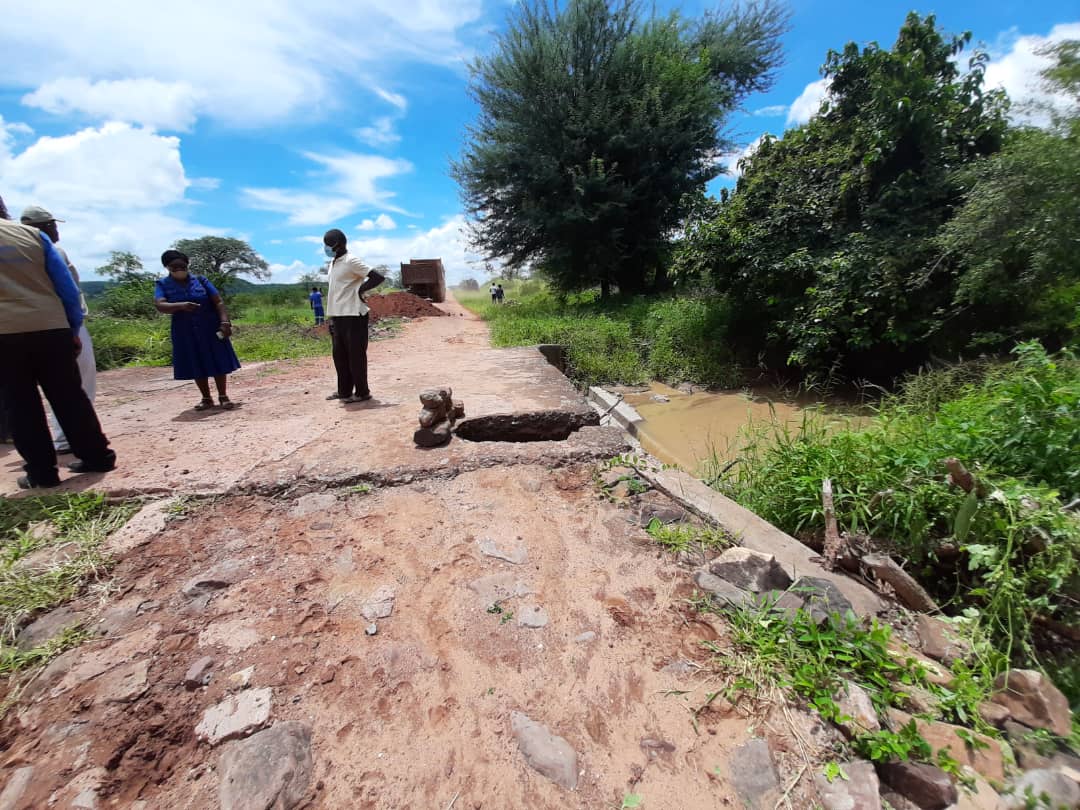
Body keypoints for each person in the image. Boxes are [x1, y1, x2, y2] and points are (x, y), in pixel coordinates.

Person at [0, 216, 116, 488]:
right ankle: (98, 457)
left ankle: (42, 473)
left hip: (4, 334)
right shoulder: (31, 235)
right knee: (70, 395)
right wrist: (73, 328)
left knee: (20, 403)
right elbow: (67, 287)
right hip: (51, 327)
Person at [20, 206, 95, 454]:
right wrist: (74, 328)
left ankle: (51, 447)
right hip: (59, 325)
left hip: (15, 329)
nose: (55, 229)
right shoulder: (52, 250)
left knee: (23, 393)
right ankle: (74, 441)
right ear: (39, 227)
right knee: (75, 384)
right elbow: (69, 291)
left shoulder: (14, 250)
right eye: (51, 225)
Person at [154, 250, 241, 411]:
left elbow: (218, 302)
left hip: (210, 326)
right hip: (184, 330)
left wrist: (224, 321)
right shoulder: (162, 284)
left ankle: (223, 396)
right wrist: (180, 306)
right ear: (167, 267)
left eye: (182, 265)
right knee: (196, 361)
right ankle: (206, 398)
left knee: (217, 359)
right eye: (174, 266)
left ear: (187, 264)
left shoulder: (201, 281)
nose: (179, 268)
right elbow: (160, 305)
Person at [324, 228, 384, 403]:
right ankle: (344, 392)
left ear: (339, 245)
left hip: (353, 315)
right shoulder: (333, 263)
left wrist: (360, 290)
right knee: (340, 357)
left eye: (328, 245)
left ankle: (362, 392)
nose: (326, 248)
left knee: (356, 356)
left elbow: (377, 277)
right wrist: (331, 318)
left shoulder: (351, 261)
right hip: (338, 316)